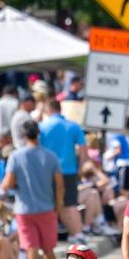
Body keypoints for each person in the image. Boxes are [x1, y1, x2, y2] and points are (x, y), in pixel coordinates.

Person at [0, 120, 62, 259]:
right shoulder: (50, 156)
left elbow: (8, 182)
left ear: (23, 135)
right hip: (47, 207)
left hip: (24, 209)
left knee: (31, 249)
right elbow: (59, 183)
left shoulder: (16, 156)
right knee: (49, 249)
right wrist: (59, 205)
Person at [39, 99, 87, 244]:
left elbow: (38, 150)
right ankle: (78, 233)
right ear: (60, 109)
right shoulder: (73, 126)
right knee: (71, 203)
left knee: (51, 204)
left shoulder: (42, 127)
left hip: (49, 172)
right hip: (69, 170)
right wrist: (81, 167)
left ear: (48, 109)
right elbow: (83, 149)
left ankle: (52, 236)